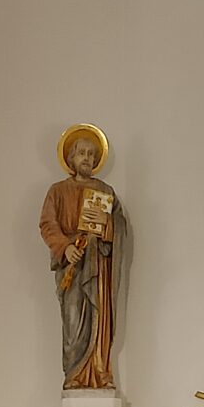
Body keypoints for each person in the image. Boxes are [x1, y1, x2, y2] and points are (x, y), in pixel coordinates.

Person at [38, 125, 125, 391]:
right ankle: (74, 374)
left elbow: (119, 227)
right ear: (71, 158)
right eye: (81, 153)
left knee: (100, 319)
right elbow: (48, 224)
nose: (86, 158)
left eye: (91, 154)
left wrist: (106, 224)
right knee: (74, 320)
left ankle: (99, 370)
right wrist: (65, 247)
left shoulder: (106, 191)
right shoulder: (58, 191)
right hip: (73, 267)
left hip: (97, 266)